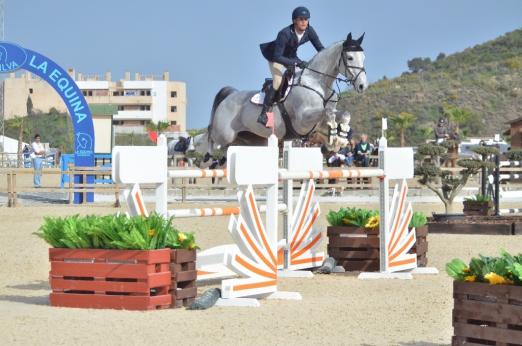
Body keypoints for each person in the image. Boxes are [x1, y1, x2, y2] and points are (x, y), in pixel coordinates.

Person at [258, 6, 324, 126]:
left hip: (291, 56)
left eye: (306, 19)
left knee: (306, 75)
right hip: (275, 57)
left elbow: (320, 49)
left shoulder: (310, 31)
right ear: (294, 20)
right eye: (301, 19)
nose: (304, 21)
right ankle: (264, 113)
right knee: (278, 81)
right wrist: (296, 63)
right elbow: (277, 56)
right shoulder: (284, 33)